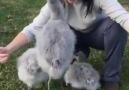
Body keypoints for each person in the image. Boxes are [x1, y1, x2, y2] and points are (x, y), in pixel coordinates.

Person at [0, 0, 129, 90]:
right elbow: (33, 28)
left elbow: (123, 18)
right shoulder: (55, 4)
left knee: (117, 28)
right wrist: (8, 48)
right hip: (73, 37)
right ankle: (78, 57)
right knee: (56, 29)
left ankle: (111, 79)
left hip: (99, 35)